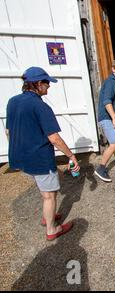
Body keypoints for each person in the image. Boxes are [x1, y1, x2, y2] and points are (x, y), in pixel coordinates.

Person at [6, 67, 80, 241]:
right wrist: (71, 156)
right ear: (38, 84)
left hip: (19, 157)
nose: (49, 86)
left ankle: (48, 215)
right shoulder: (40, 106)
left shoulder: (13, 101)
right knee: (49, 195)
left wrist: (16, 148)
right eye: (47, 83)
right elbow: (54, 138)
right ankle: (52, 229)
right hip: (39, 158)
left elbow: (8, 130)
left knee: (44, 189)